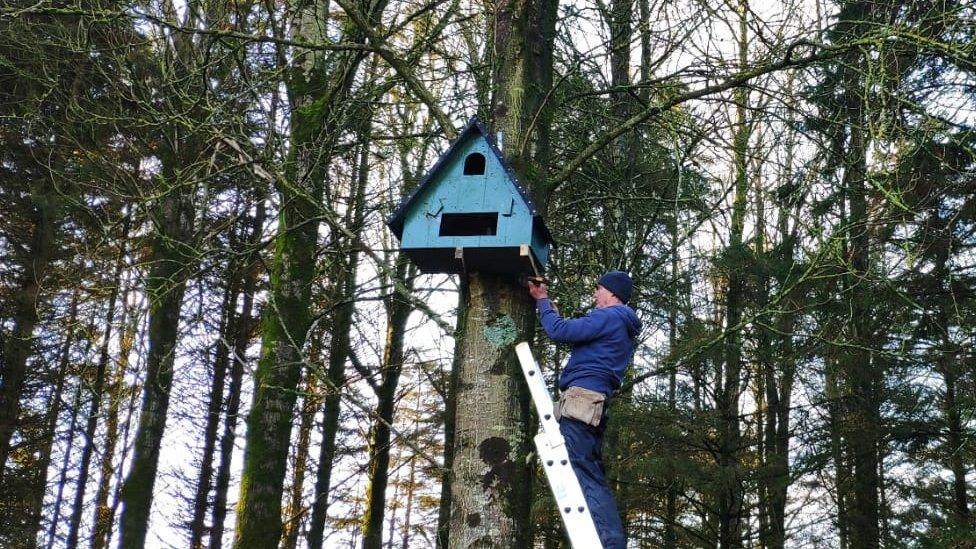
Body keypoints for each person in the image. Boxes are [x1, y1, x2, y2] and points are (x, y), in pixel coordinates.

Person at [528, 270, 641, 549]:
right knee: (589, 470)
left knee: (583, 471)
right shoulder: (621, 324)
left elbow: (560, 331)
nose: (594, 295)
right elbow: (578, 334)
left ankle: (610, 543)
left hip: (581, 400)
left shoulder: (610, 316)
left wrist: (542, 300)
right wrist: (550, 310)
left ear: (612, 293)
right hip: (594, 403)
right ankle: (609, 539)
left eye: (598, 289)